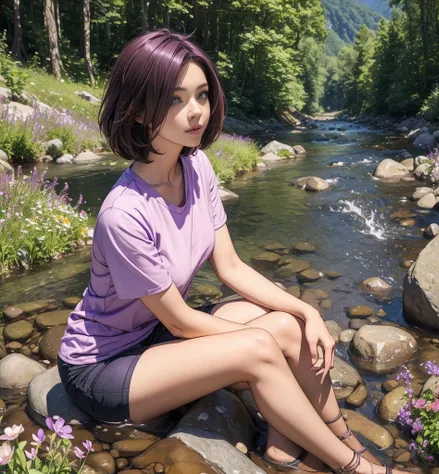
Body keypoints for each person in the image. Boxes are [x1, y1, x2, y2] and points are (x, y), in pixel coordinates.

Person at [58, 29, 410, 474]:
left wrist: (308, 314)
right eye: (174, 99)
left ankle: (318, 436)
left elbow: (230, 267)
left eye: (201, 95)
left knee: (285, 324)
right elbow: (181, 321)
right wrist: (256, 345)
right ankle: (360, 467)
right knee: (258, 347)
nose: (195, 111)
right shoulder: (123, 215)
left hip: (154, 335)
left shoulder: (196, 165)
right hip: (104, 368)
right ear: (138, 108)